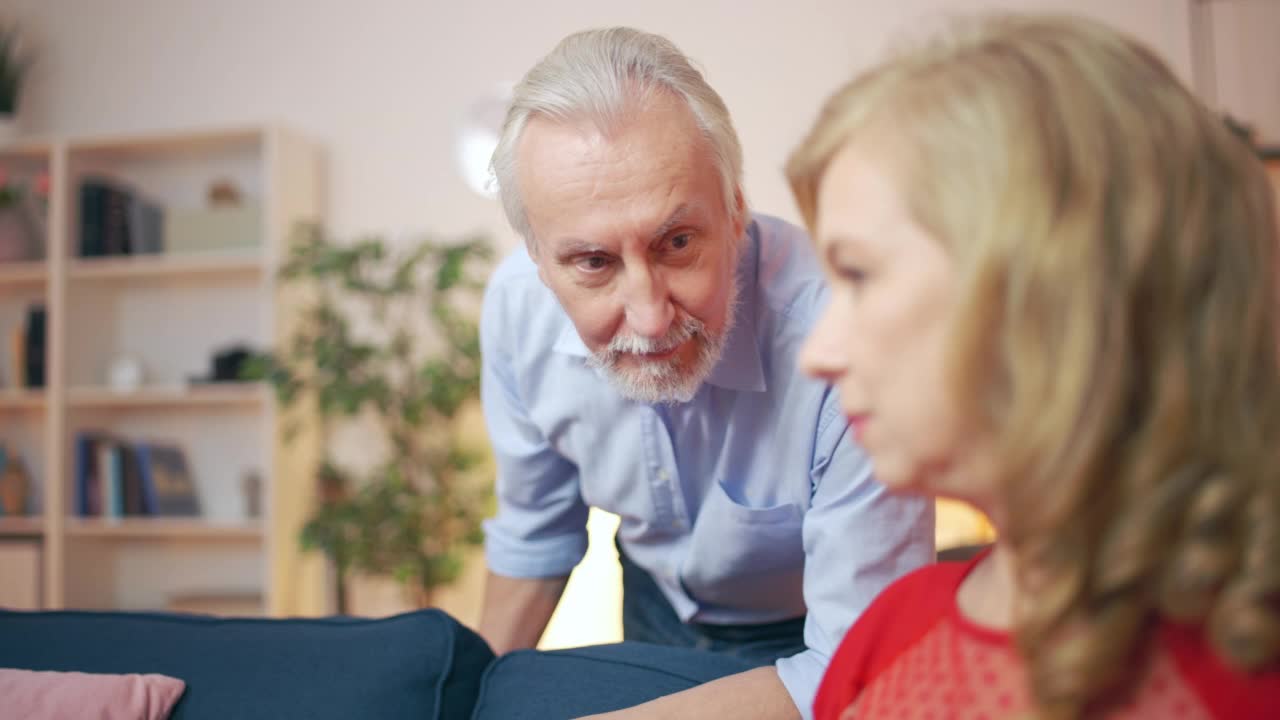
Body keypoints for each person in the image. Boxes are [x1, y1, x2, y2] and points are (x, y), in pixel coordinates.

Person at [787, 12, 1280, 719]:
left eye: (859, 276)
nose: (817, 354)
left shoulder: (1242, 677)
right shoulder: (889, 634)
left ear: (1051, 296)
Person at [478, 27, 934, 719]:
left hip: (811, 630)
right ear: (538, 260)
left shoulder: (847, 341)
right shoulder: (516, 312)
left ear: (736, 211)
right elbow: (537, 536)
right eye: (594, 263)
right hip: (653, 603)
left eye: (678, 243)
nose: (651, 318)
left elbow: (855, 671)